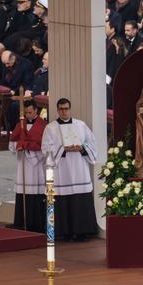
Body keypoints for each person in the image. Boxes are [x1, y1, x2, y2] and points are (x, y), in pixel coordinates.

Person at [42, 98, 100, 241]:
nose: (64, 111)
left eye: (66, 108)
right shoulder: (50, 128)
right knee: (63, 201)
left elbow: (92, 143)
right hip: (62, 170)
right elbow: (45, 149)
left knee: (80, 200)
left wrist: (82, 148)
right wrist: (63, 148)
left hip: (80, 168)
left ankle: (83, 232)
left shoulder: (81, 125)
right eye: (61, 109)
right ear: (57, 110)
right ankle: (64, 232)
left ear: (70, 109)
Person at [10, 100, 48, 233]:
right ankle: (20, 222)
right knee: (23, 192)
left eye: (30, 112)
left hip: (36, 166)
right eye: (26, 113)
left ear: (36, 111)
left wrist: (28, 147)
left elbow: (46, 147)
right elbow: (12, 142)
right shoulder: (21, 124)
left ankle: (36, 224)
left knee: (36, 195)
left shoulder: (44, 126)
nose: (28, 115)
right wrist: (19, 146)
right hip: (23, 164)